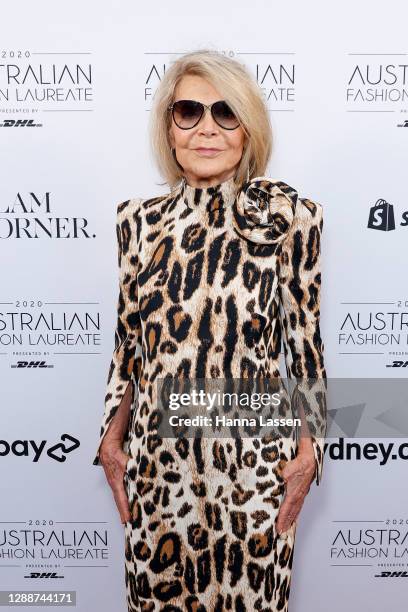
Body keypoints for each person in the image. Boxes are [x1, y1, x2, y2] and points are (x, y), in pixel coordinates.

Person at [92, 49, 327, 612]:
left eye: (226, 113)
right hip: (159, 473)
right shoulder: (137, 222)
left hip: (255, 474)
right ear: (169, 129)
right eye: (189, 112)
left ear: (248, 130)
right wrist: (111, 438)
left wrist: (309, 447)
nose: (206, 129)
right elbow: (130, 347)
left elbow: (305, 344)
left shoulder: (291, 219)